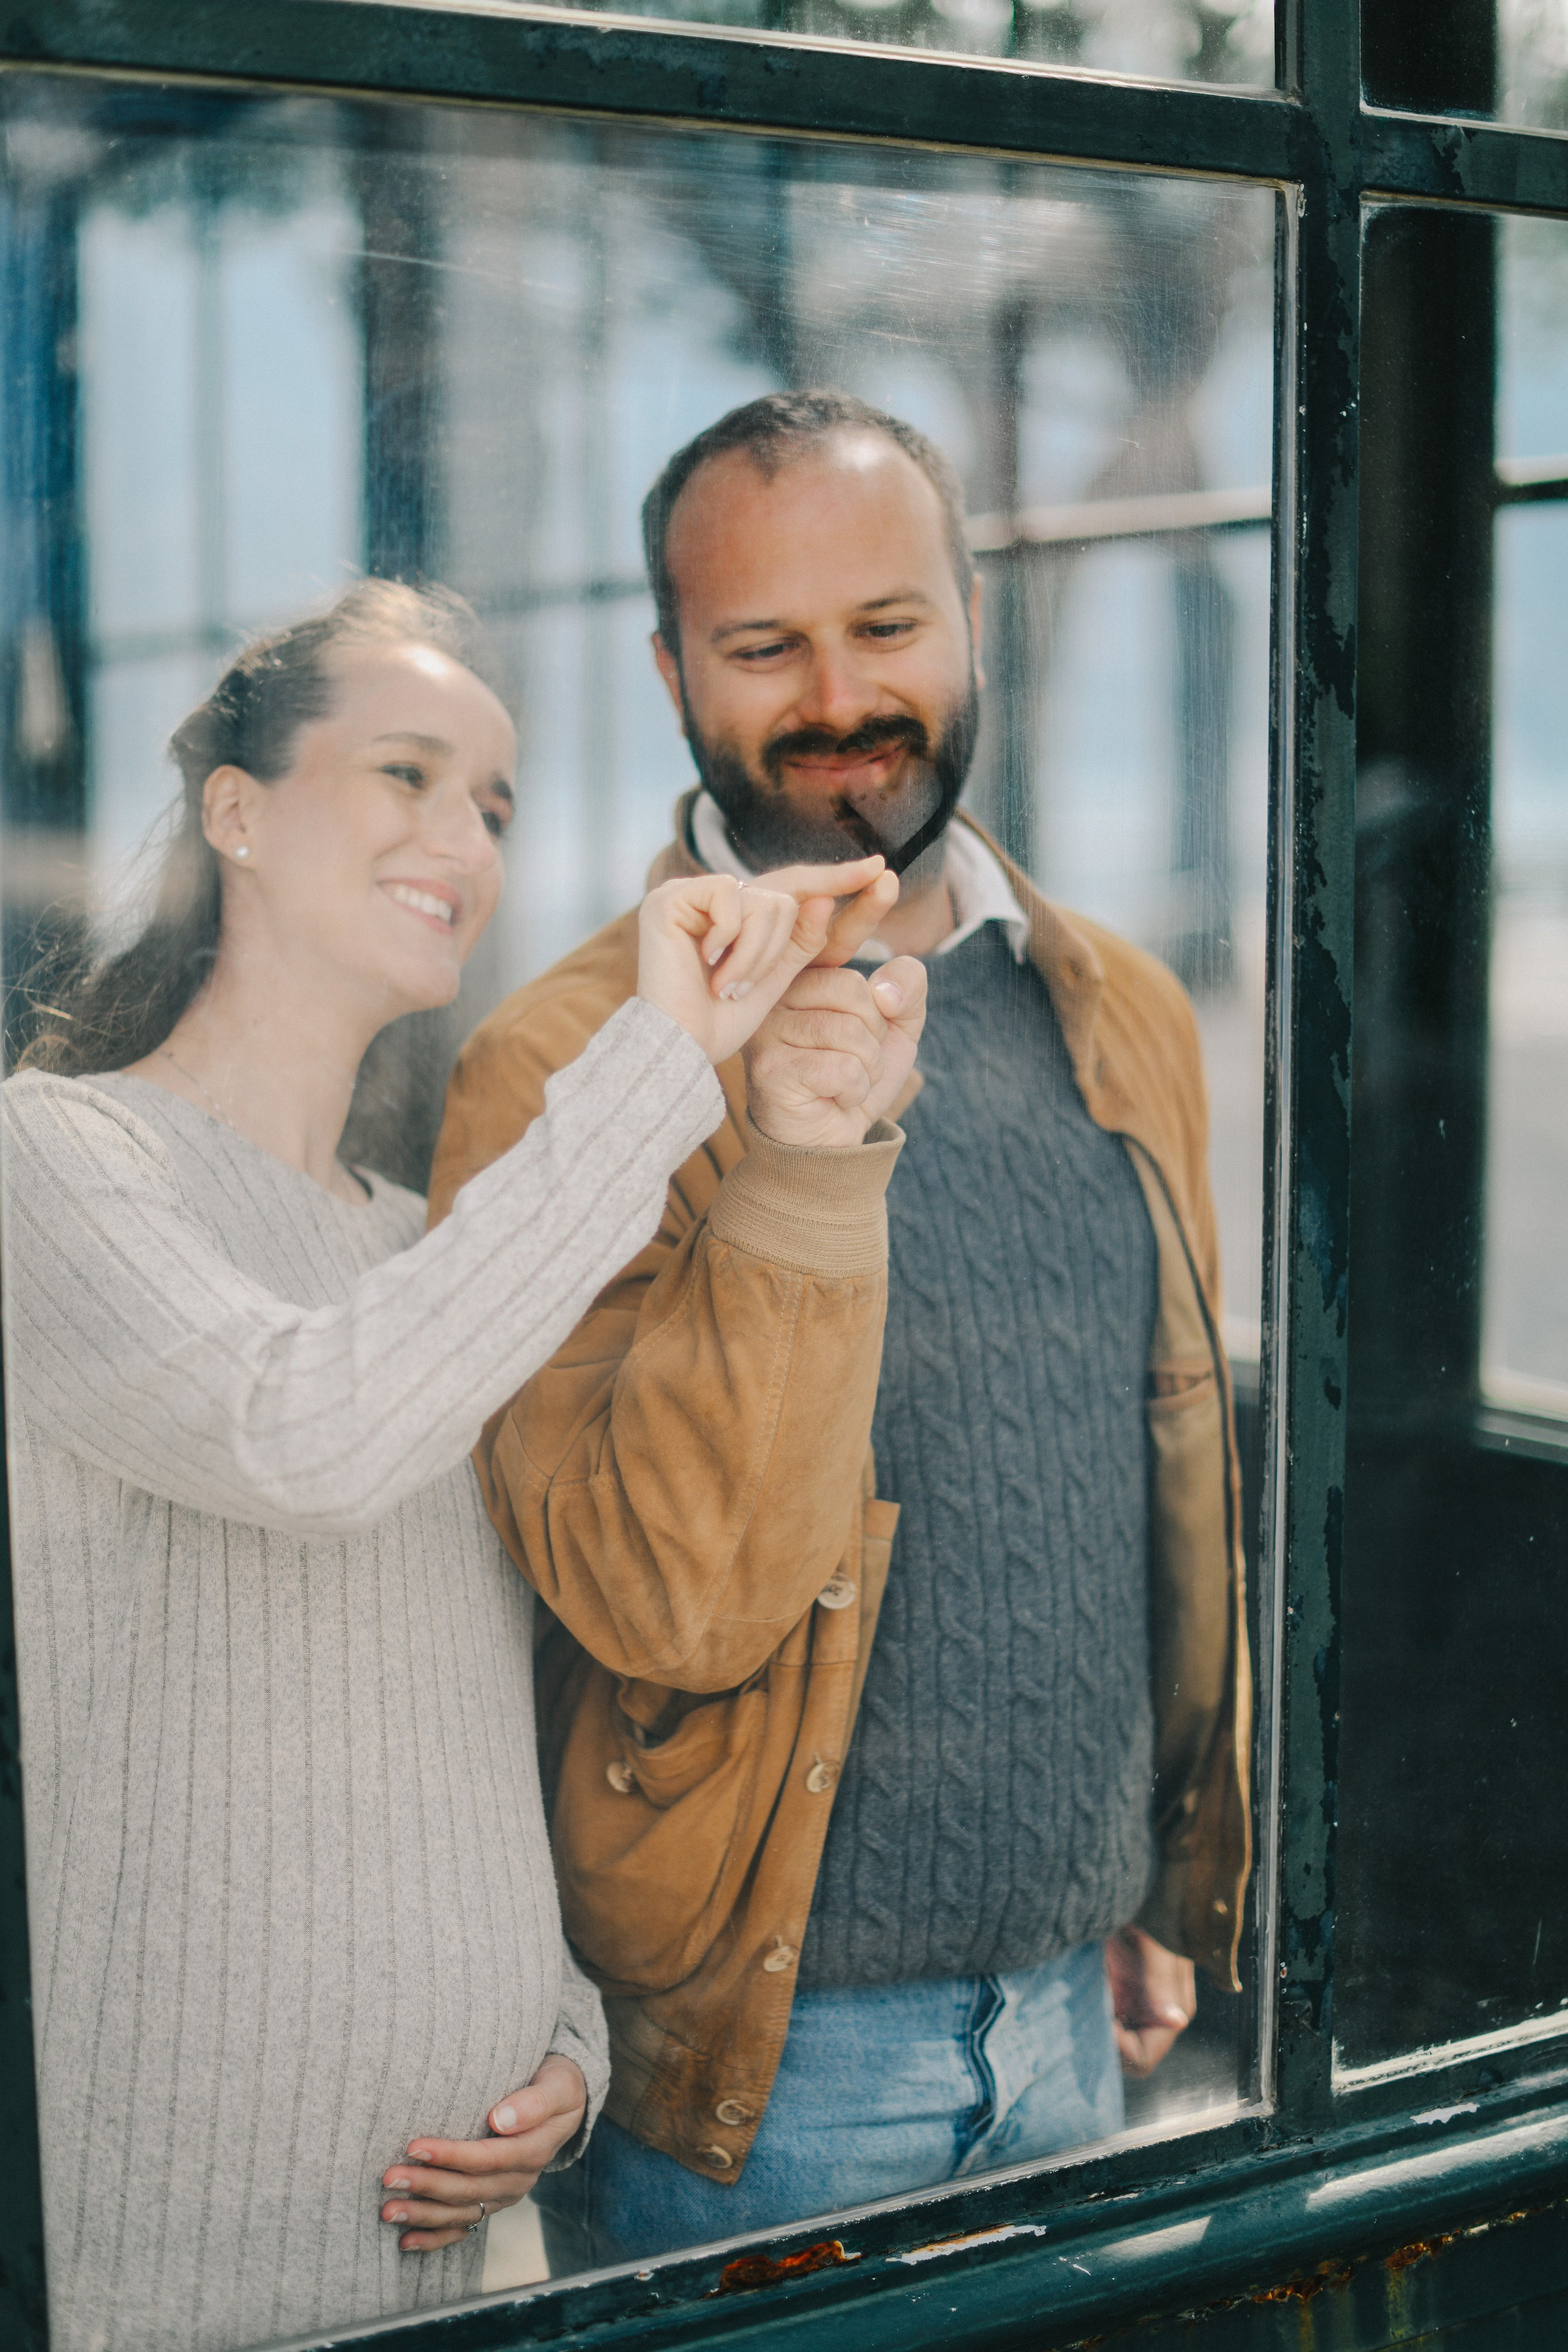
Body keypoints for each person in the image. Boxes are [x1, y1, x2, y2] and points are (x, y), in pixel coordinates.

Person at [1, 578, 921, 2352]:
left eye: (494, 804)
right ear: (238, 811)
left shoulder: (426, 1249)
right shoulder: (57, 1163)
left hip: (440, 2272)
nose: (465, 839)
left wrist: (566, 2036)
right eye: (409, 773)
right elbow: (309, 1431)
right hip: (164, 2269)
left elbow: (475, 1719)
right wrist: (663, 1055)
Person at [427, 391, 1250, 2269]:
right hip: (762, 2081)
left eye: (887, 625)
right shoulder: (560, 1071)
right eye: (761, 644)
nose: (836, 696)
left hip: (1079, 2010)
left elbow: (1163, 1485)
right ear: (666, 673)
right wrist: (802, 1159)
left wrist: (1156, 1875)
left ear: (974, 617)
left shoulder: (1116, 1004)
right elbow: (664, 1606)